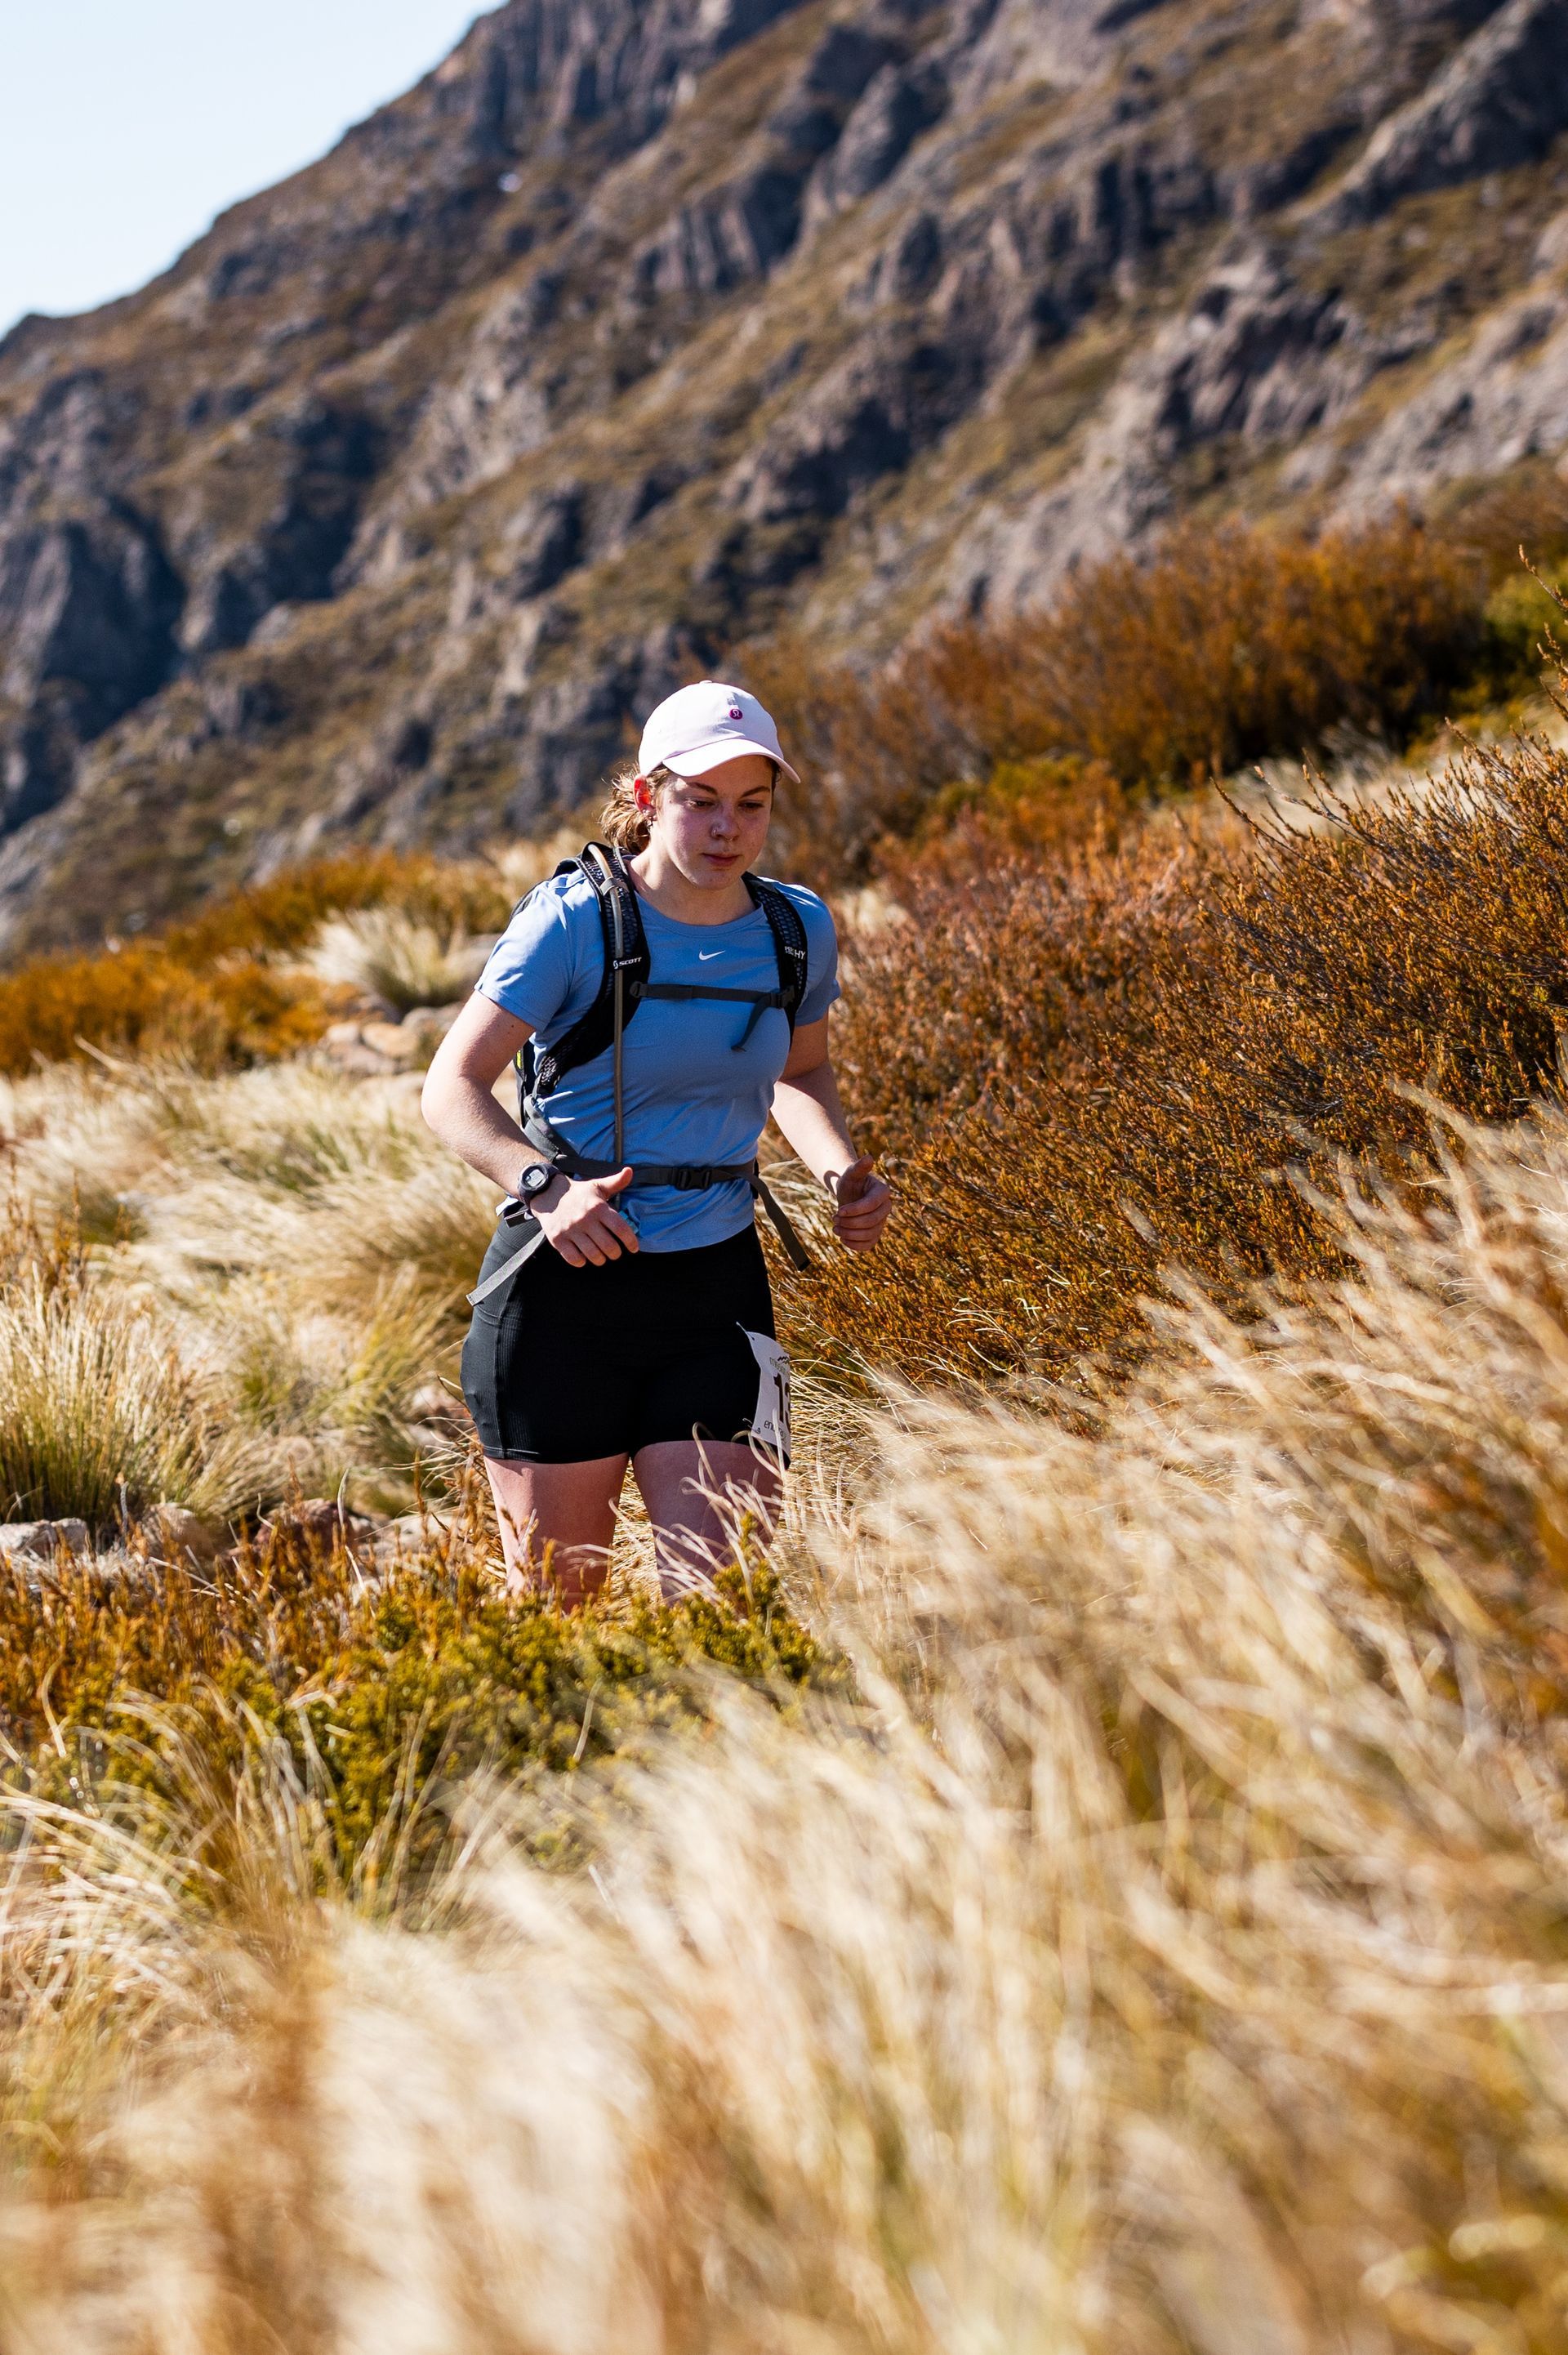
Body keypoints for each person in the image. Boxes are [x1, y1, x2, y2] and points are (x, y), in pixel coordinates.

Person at [421, 680, 893, 1604]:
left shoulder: (797, 930)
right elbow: (451, 1087)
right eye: (701, 802)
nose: (728, 828)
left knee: (724, 1605)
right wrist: (548, 1191)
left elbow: (797, 1075)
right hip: (561, 1299)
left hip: (715, 1293)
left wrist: (839, 1170)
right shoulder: (573, 924)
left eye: (751, 805)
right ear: (647, 798)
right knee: (560, 1617)